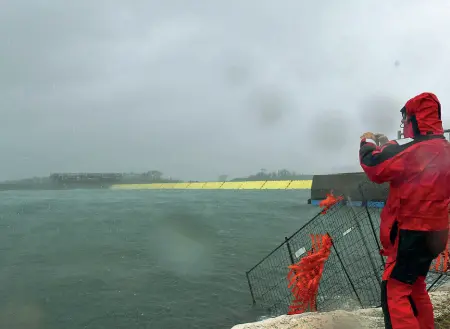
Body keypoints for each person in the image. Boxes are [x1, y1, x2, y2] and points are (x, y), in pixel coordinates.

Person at [359, 92, 450, 329]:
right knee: (416, 285)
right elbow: (400, 153)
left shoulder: (414, 151)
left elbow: (374, 166)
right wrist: (389, 142)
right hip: (436, 233)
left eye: (406, 119)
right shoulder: (444, 148)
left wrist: (367, 142)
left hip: (411, 232)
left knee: (395, 290)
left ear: (415, 119)